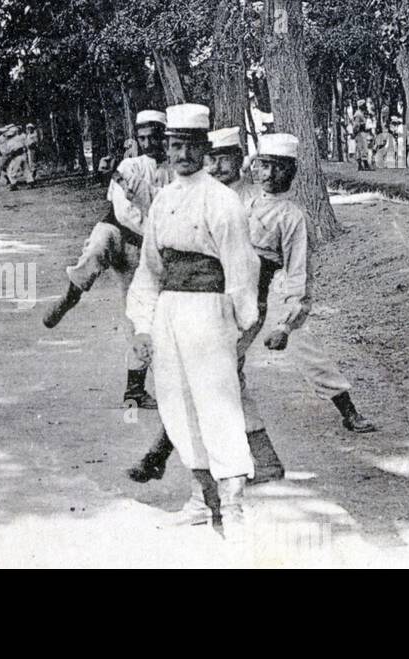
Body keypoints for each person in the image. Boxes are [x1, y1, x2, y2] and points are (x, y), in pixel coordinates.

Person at [128, 130, 376, 485]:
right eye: (264, 166)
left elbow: (297, 275)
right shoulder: (231, 197)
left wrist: (286, 325)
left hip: (248, 304)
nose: (270, 176)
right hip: (211, 298)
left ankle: (159, 454)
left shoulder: (291, 217)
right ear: (254, 166)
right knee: (222, 379)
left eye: (280, 169)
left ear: (292, 173)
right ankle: (265, 461)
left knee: (208, 375)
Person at [125, 104, 260, 533]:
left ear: (204, 148)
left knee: (217, 405)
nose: (183, 154)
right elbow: (149, 268)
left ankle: (235, 506)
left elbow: (240, 268)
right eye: (175, 145)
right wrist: (143, 325)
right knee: (178, 404)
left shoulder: (223, 201)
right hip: (170, 311)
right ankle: (202, 499)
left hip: (209, 311)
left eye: (191, 146)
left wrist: (242, 323)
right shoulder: (163, 200)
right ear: (167, 148)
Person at [42, 109, 170, 409]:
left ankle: (134, 390)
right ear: (136, 139)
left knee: (138, 317)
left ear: (164, 137)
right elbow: (124, 209)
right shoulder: (129, 164)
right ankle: (70, 296)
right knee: (98, 246)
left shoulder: (175, 171)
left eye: (155, 137)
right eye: (143, 138)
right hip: (119, 229)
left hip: (143, 249)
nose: (149, 143)